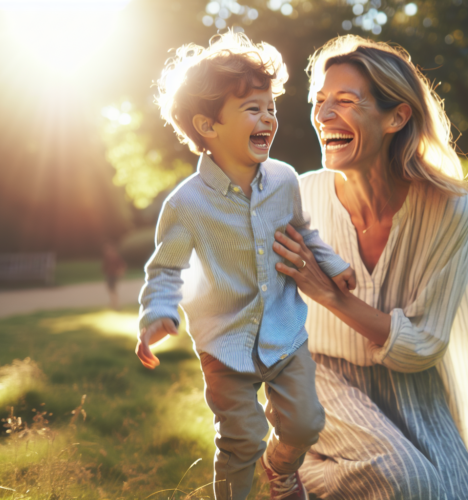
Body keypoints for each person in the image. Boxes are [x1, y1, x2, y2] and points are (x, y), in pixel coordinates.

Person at [136, 32, 355, 500]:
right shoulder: (187, 204)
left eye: (270, 108)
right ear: (208, 126)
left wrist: (332, 264)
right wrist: (157, 314)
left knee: (305, 423)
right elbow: (166, 269)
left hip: (284, 330)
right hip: (224, 342)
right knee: (241, 441)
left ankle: (281, 468)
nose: (268, 118)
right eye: (253, 109)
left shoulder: (284, 180)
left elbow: (304, 233)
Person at [271, 36, 468, 499]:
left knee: (453, 493)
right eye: (320, 101)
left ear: (397, 116)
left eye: (345, 101)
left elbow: (424, 345)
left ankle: (308, 468)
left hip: (407, 385)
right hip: (316, 377)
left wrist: (331, 295)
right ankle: (282, 467)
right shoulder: (297, 195)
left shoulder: (447, 207)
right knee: (406, 481)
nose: (324, 115)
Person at [102, 242, 127, 310]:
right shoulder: (107, 257)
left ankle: (116, 304)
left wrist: (121, 272)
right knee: (110, 289)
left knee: (113, 289)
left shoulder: (115, 257)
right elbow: (105, 267)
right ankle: (113, 303)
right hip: (109, 275)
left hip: (114, 275)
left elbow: (122, 266)